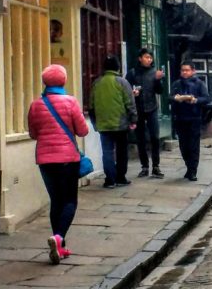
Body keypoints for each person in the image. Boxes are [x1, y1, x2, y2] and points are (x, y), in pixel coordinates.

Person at [28, 64, 89, 265]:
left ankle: (60, 247)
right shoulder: (70, 102)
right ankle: (58, 237)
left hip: (45, 160)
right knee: (70, 201)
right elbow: (82, 131)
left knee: (56, 201)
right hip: (67, 160)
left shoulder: (36, 105)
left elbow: (33, 134)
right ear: (63, 81)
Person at [89, 55, 137, 188]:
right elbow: (130, 103)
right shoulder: (122, 82)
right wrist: (133, 119)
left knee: (107, 152)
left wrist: (95, 123)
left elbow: (91, 106)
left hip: (103, 125)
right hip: (120, 124)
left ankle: (110, 179)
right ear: (118, 67)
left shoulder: (96, 83)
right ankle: (120, 177)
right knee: (121, 152)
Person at [126, 48, 165, 178]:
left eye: (150, 58)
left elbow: (160, 91)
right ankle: (144, 166)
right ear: (140, 58)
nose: (149, 60)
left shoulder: (155, 73)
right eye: (146, 57)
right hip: (138, 109)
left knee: (154, 137)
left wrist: (159, 80)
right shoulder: (132, 73)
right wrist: (133, 93)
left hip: (152, 107)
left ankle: (156, 166)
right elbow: (126, 90)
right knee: (140, 138)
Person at [170, 61, 210, 181]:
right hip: (180, 118)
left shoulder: (199, 84)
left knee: (193, 146)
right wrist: (176, 98)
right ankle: (188, 166)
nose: (184, 72)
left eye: (187, 70)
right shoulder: (176, 84)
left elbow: (206, 98)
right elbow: (169, 97)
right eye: (182, 70)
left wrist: (196, 100)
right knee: (183, 146)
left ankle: (193, 171)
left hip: (194, 118)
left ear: (193, 71)